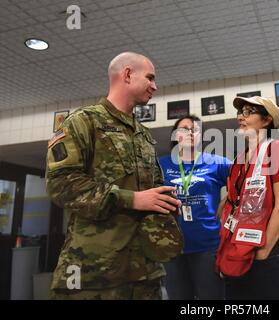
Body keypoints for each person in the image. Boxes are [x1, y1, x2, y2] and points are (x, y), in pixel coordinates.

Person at [45, 52, 182, 300]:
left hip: (144, 274)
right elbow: (60, 184)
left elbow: (153, 188)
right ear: (127, 75)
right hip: (94, 275)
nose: (155, 86)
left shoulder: (144, 135)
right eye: (150, 78)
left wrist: (164, 202)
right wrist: (133, 199)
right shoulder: (83, 122)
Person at [216, 96, 279, 299]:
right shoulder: (239, 159)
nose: (241, 117)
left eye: (248, 112)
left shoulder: (276, 149)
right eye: (240, 112)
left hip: (270, 252)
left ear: (267, 120)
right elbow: (233, 201)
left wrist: (263, 252)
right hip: (241, 251)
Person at [159, 115, 231, 299]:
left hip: (207, 246)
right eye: (184, 128)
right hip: (171, 246)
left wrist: (224, 205)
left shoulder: (217, 162)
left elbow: (244, 181)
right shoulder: (161, 165)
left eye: (195, 129)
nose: (190, 132)